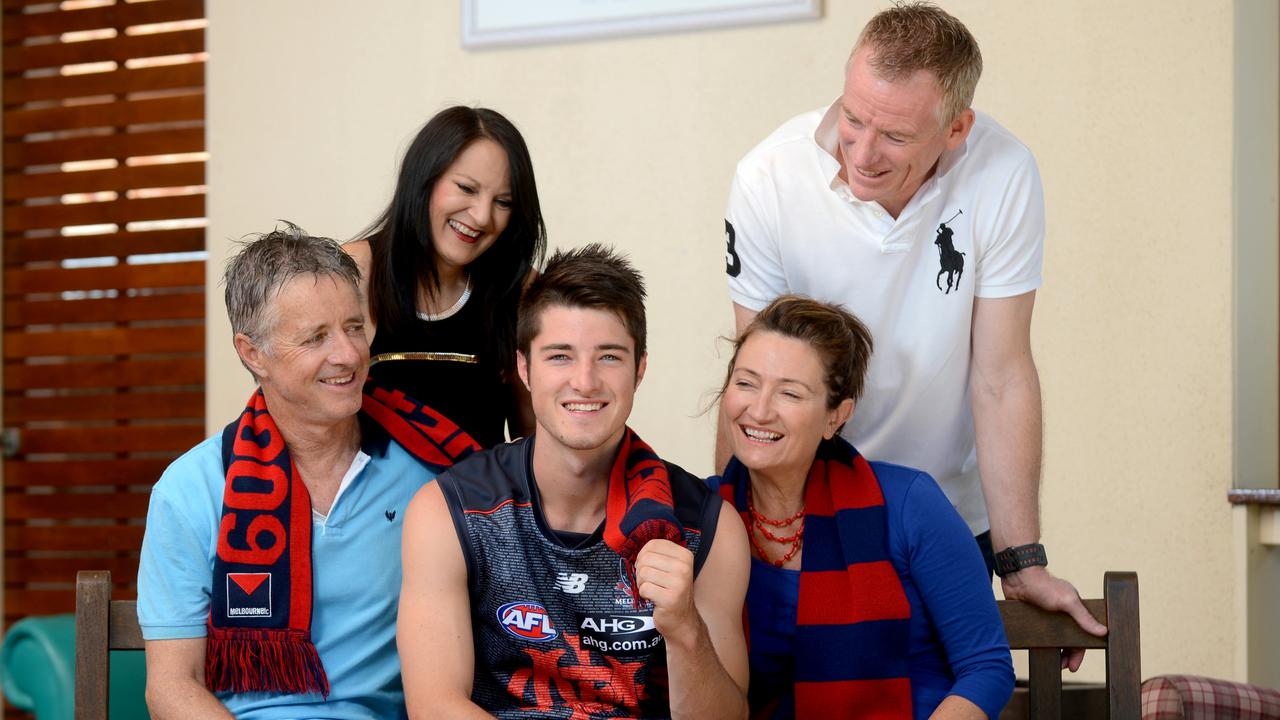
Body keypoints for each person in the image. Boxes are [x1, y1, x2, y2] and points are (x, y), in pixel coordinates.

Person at [718, 1, 1107, 661]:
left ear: (956, 128)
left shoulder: (1004, 172)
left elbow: (1001, 373)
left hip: (947, 518)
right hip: (801, 512)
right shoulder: (769, 176)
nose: (863, 152)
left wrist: (1022, 559)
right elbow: (755, 384)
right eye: (853, 118)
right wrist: (728, 537)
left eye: (894, 136)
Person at [138, 224, 478, 719]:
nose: (346, 355)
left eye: (354, 327)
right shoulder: (190, 489)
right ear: (253, 353)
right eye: (316, 337)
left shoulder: (433, 471)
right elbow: (172, 687)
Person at [399, 245, 750, 718]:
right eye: (560, 356)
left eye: (608, 357)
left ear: (639, 369)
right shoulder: (449, 509)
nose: (584, 382)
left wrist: (685, 627)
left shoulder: (707, 525)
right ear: (524, 368)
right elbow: (435, 706)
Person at [714, 294, 1014, 719]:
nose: (759, 410)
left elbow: (986, 667)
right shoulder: (701, 516)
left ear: (836, 416)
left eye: (790, 393)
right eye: (746, 383)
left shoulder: (909, 503)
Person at [346, 105, 546, 448]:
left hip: (479, 500)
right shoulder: (352, 273)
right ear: (424, 178)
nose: (482, 217)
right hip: (370, 501)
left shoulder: (521, 288)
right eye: (467, 189)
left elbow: (535, 438)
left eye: (503, 201)